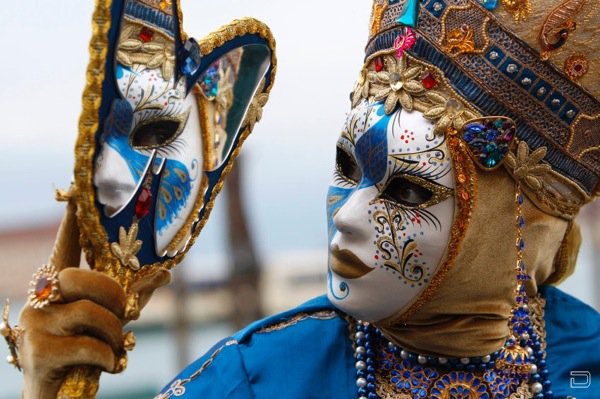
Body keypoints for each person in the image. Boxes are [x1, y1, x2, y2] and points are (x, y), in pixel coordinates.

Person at [4, 0, 600, 398]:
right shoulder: (257, 380)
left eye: (409, 187)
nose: (345, 214)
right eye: (347, 167)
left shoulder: (585, 361)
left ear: (521, 222)